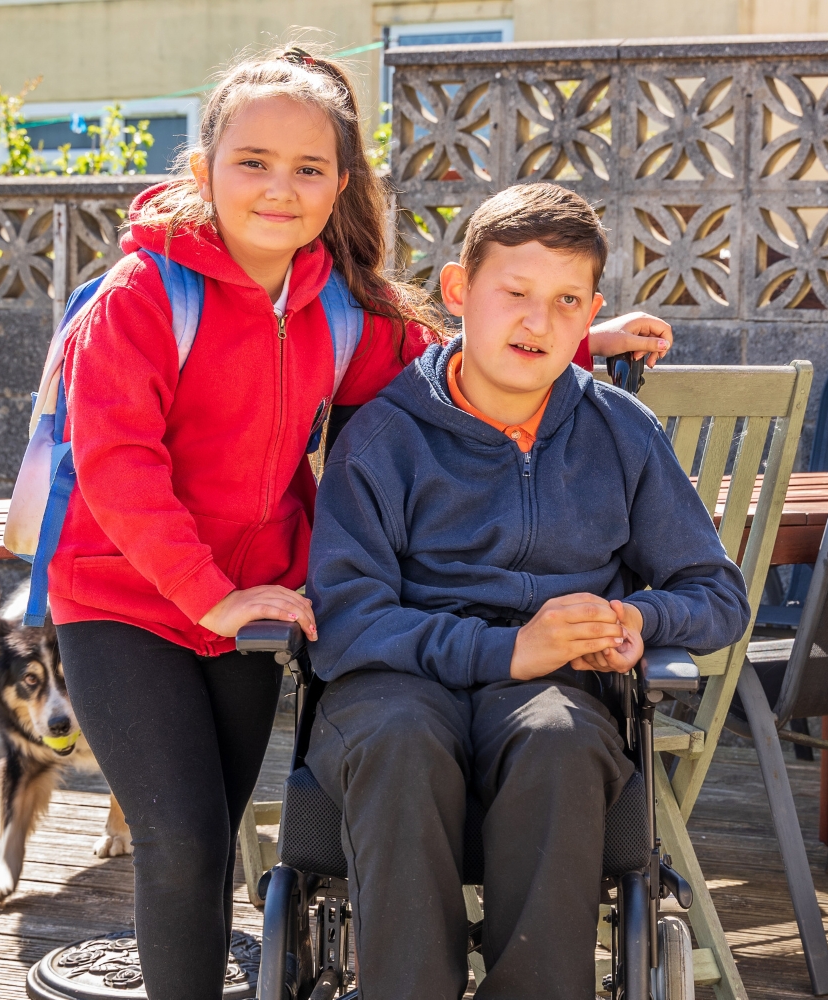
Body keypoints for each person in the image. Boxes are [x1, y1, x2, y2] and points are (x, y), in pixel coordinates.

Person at [45, 45, 680, 1000]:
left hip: (256, 608)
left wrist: (578, 338)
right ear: (205, 164)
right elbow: (117, 467)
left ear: (340, 184)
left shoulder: (338, 308)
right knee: (178, 844)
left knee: (218, 844)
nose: (278, 188)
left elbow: (472, 354)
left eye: (308, 169)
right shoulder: (142, 300)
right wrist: (212, 599)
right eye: (252, 161)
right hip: (125, 601)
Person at [305, 182, 752, 1000]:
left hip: (557, 695)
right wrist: (507, 648)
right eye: (514, 293)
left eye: (566, 301)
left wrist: (634, 616)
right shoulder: (384, 434)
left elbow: (716, 592)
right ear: (457, 292)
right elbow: (344, 619)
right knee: (400, 740)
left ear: (591, 315)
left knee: (558, 738)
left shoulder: (620, 431)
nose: (537, 322)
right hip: (396, 688)